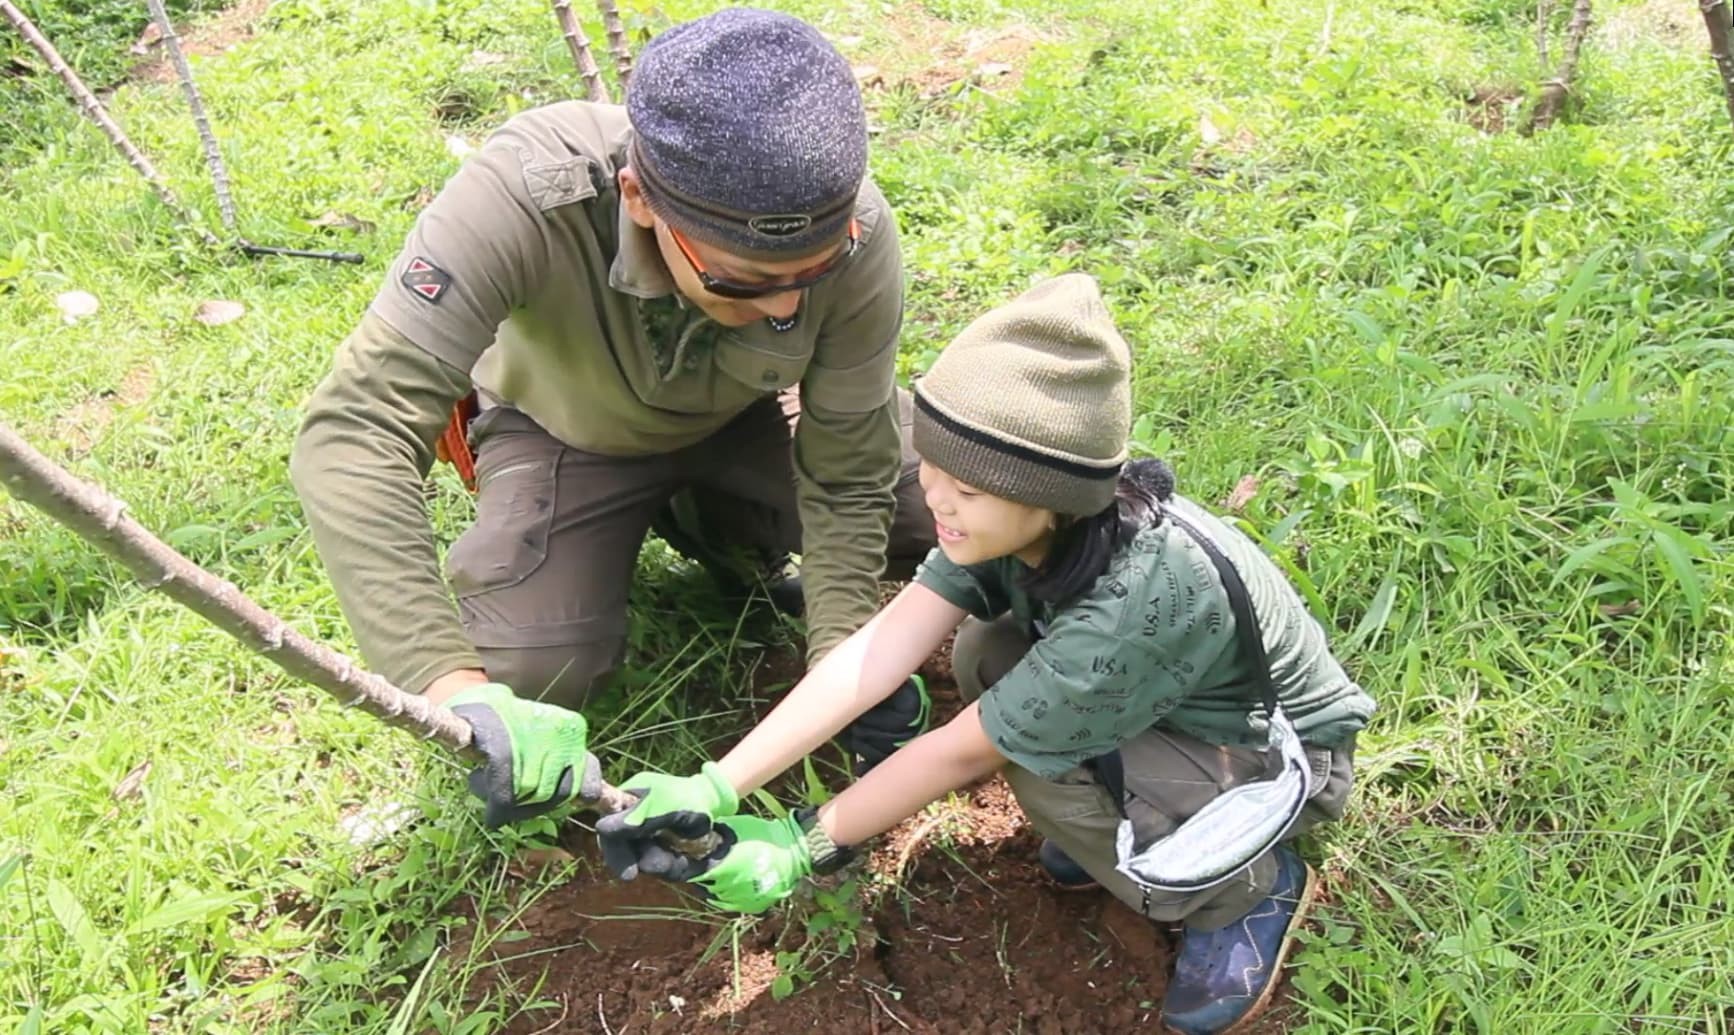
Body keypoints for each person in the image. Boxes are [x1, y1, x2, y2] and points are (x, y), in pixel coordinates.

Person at [596, 274, 1376, 1033]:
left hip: (1281, 756)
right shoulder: (1017, 527)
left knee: (1036, 773)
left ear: (1052, 493)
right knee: (985, 649)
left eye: (969, 488)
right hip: (1174, 702)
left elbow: (955, 756)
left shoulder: (1135, 607)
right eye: (932, 464)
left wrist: (804, 843)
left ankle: (1243, 893)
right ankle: (1114, 824)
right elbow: (877, 651)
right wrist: (718, 782)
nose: (936, 496)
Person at [288, 9, 934, 829]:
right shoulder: (525, 194)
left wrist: (843, 656)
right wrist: (452, 684)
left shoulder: (855, 229)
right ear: (638, 199)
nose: (788, 303)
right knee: (519, 671)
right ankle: (652, 531)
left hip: (750, 417)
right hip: (566, 434)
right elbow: (355, 427)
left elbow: (847, 466)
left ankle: (720, 526)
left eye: (815, 271)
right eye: (744, 281)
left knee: (962, 496)